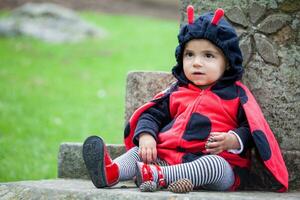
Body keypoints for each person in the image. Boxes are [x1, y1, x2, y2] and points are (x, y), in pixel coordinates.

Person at [82, 6, 288, 192]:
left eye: (208, 56)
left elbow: (252, 128)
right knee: (139, 151)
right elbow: (152, 115)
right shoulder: (177, 91)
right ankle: (113, 171)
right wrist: (146, 137)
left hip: (217, 164)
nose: (196, 63)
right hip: (168, 157)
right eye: (190, 55)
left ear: (227, 63)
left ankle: (157, 176)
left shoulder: (235, 95)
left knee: (215, 166)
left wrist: (233, 140)